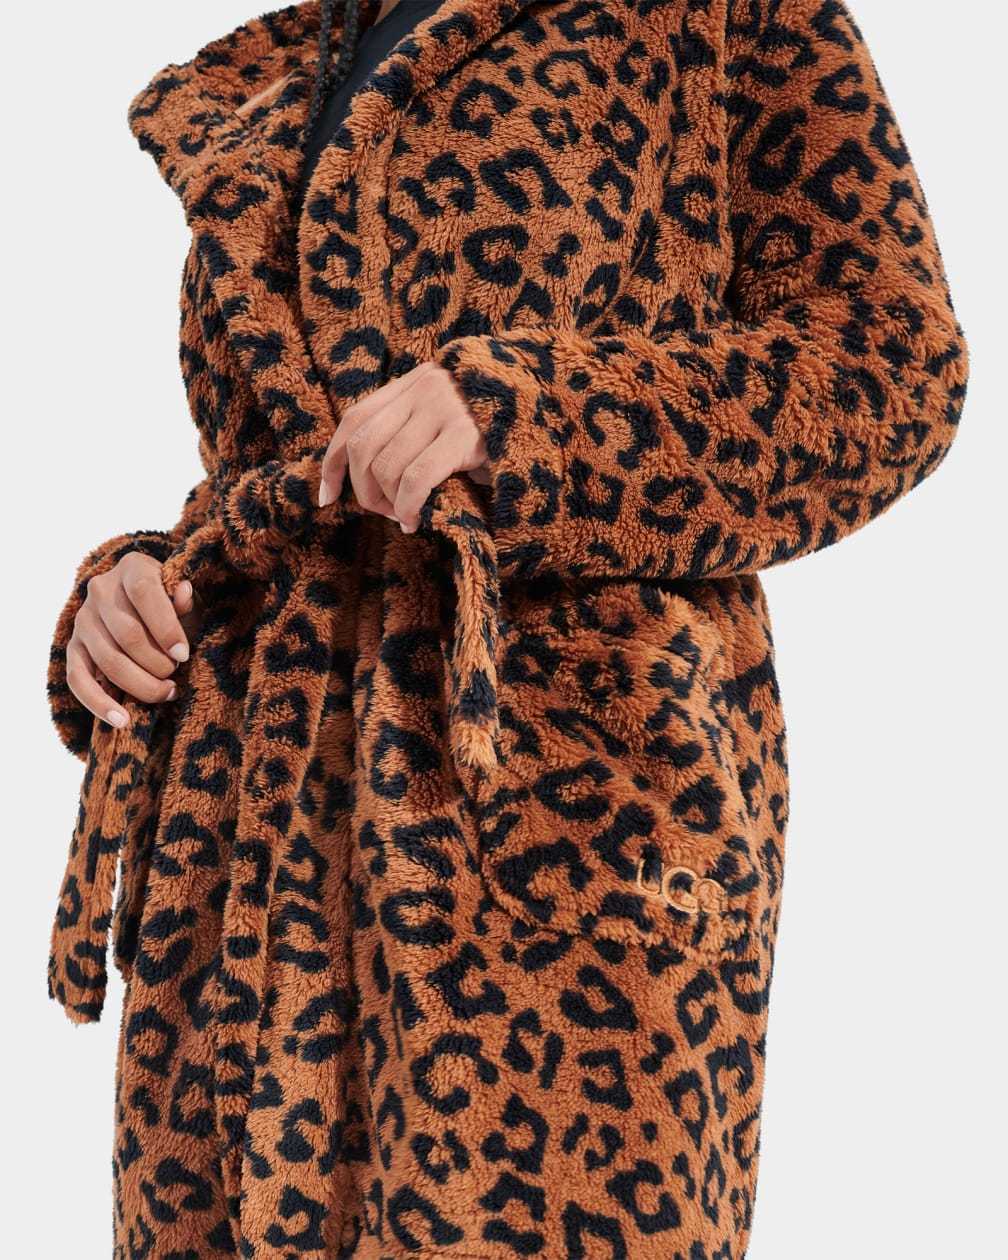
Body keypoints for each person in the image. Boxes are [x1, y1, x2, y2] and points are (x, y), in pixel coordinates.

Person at [45, 1, 969, 1256]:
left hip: (558, 853)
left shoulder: (714, 15)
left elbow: (893, 366)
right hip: (241, 889)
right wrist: (140, 587)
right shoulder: (298, 56)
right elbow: (288, 469)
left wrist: (533, 419)